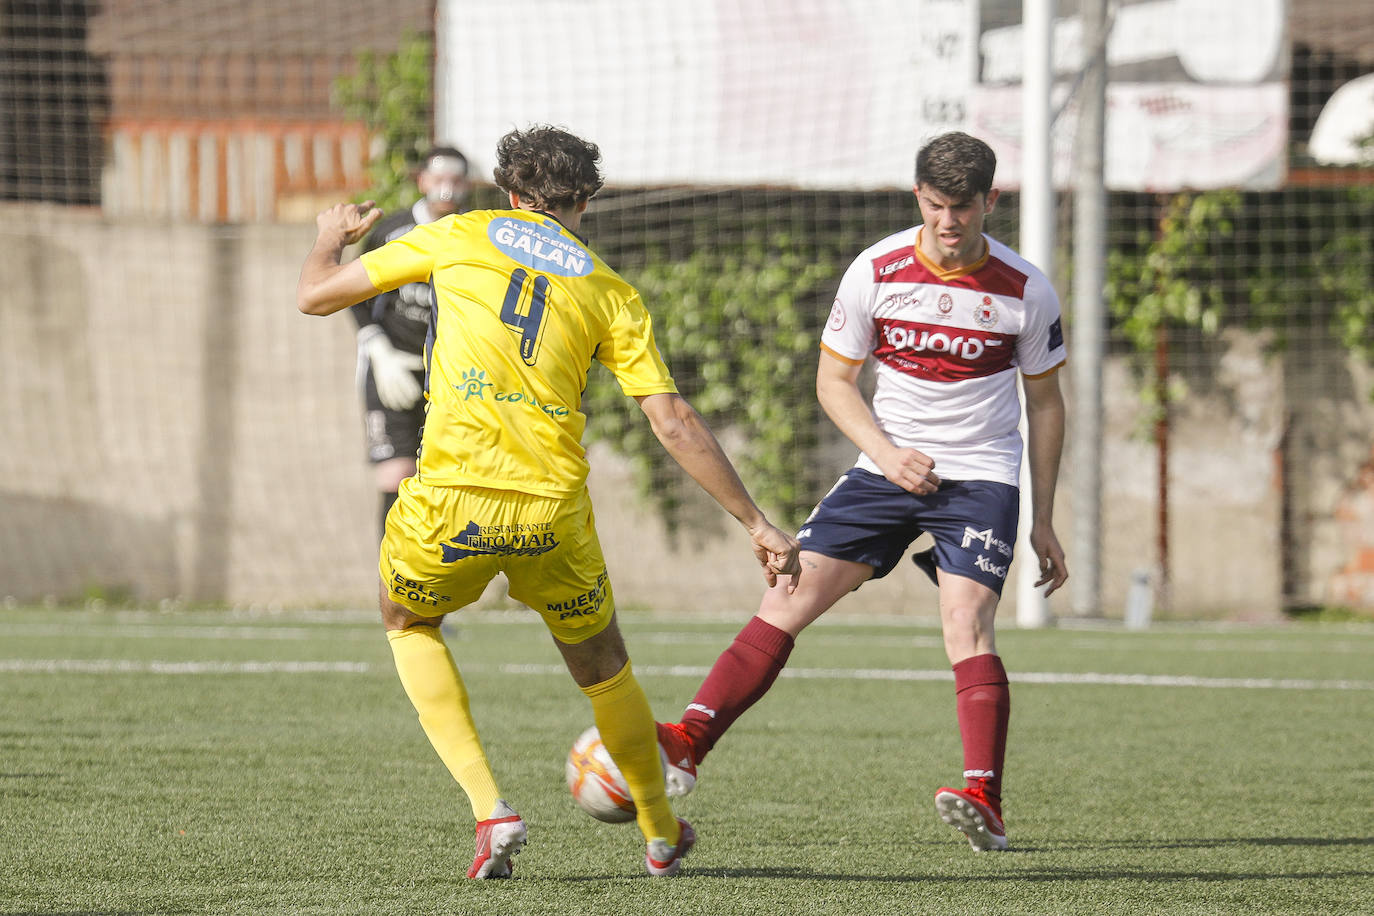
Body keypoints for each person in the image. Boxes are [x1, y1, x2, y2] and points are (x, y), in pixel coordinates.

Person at [296, 125, 800, 879]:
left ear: (509, 193)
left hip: (450, 501)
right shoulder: (608, 290)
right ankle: (661, 834)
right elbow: (673, 422)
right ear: (586, 202)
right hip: (549, 514)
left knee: (407, 621)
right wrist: (757, 522)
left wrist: (328, 238)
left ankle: (490, 810)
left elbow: (314, 297)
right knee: (604, 668)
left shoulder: (459, 235)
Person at [655, 131, 1069, 853]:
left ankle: (984, 796)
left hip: (981, 475)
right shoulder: (876, 269)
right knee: (787, 596)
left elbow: (1048, 405)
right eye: (936, 206)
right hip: (885, 467)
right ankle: (689, 740)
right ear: (918, 197)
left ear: (990, 202)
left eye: (963, 208)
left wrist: (1045, 518)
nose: (949, 222)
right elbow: (833, 382)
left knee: (965, 619)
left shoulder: (1026, 289)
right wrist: (887, 454)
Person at [351, 145, 471, 538]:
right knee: (396, 474)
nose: (446, 189)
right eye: (438, 179)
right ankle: (392, 583)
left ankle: (440, 578)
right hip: (391, 368)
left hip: (448, 376)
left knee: (451, 478)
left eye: (455, 180)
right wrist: (377, 345)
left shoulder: (475, 238)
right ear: (422, 180)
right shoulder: (393, 233)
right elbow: (353, 291)